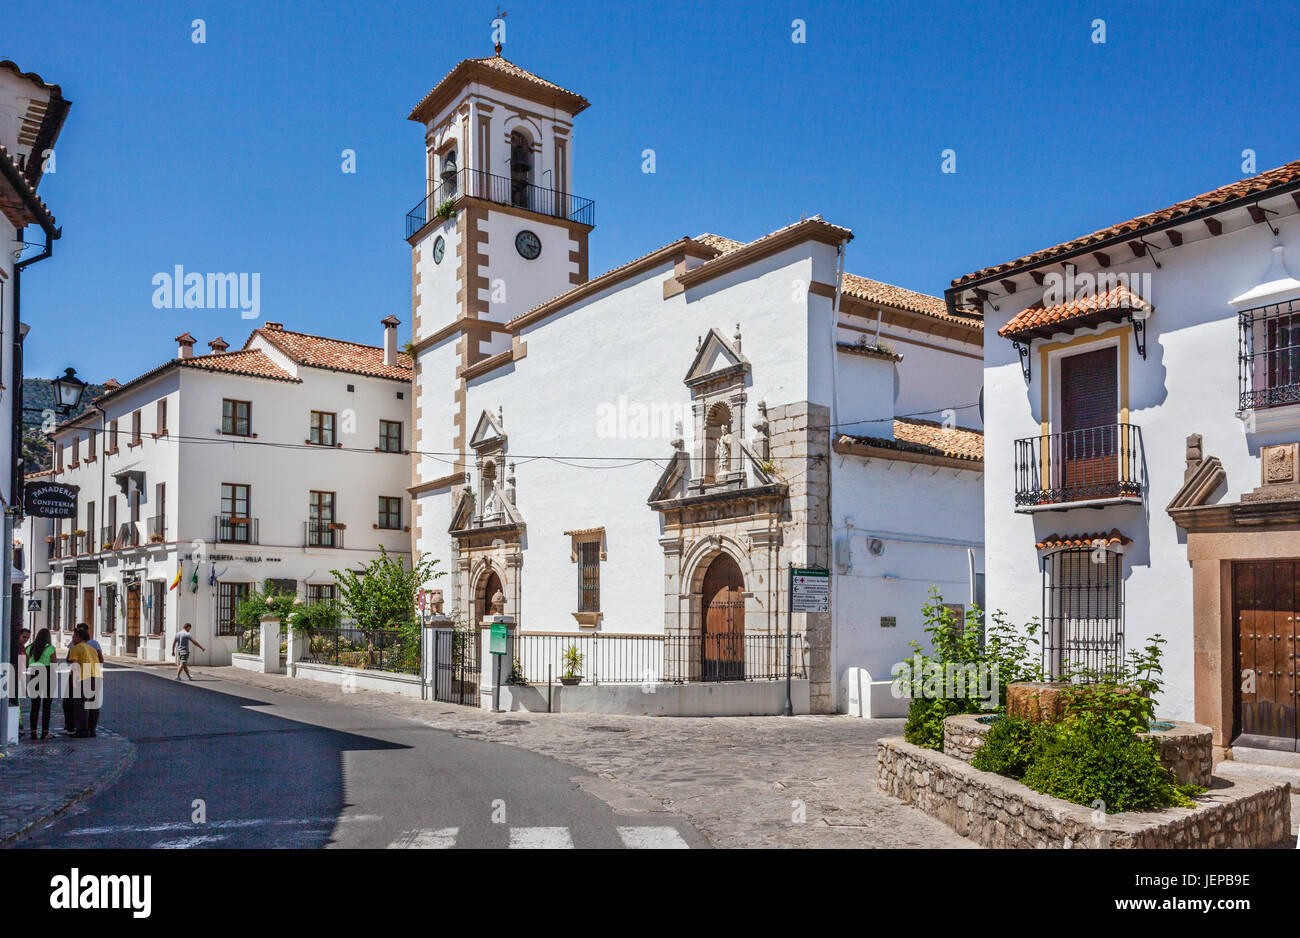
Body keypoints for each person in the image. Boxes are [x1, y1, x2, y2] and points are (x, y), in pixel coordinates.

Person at [24, 629, 55, 740]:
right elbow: (54, 663)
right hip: (47, 676)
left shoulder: (29, 648)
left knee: (34, 706)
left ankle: (33, 732)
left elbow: (26, 665)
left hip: (34, 676)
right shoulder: (50, 648)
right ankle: (45, 732)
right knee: (46, 706)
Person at [74, 626, 104, 736]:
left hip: (84, 676)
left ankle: (83, 730)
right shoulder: (93, 646)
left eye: (74, 636)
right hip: (96, 675)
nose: (73, 639)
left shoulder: (78, 647)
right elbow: (101, 659)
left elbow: (73, 662)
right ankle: (92, 729)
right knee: (93, 704)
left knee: (81, 705)